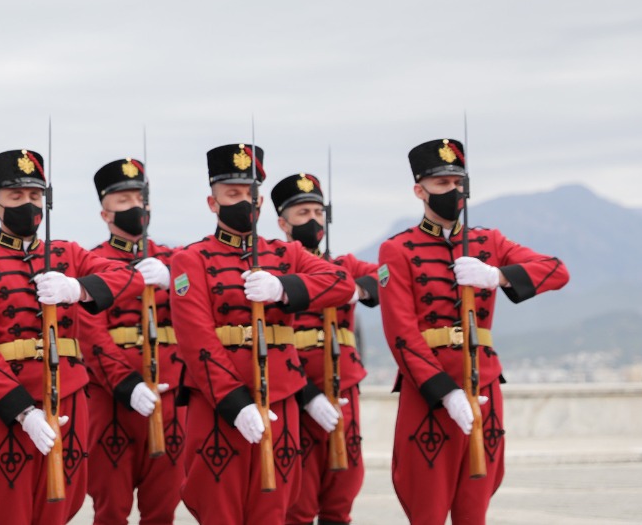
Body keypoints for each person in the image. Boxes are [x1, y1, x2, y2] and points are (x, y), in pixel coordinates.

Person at [379, 138, 569, 525]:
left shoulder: (489, 242)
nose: (453, 191)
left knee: (475, 507)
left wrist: (497, 275)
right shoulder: (397, 249)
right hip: (428, 391)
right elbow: (401, 333)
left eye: (458, 183)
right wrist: (445, 393)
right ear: (420, 190)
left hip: (483, 381)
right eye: (442, 183)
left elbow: (557, 271)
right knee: (427, 507)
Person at [0, 148, 144, 525]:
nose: (28, 204)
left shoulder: (67, 253)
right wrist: (23, 412)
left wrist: (78, 288)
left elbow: (130, 277)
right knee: (6, 505)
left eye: (35, 195)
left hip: (69, 396)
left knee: (60, 506)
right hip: (12, 403)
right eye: (16, 196)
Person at [169, 143, 355, 525]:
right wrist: (235, 403)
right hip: (218, 401)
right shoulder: (191, 259)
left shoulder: (286, 255)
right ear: (212, 202)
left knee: (275, 507)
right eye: (232, 193)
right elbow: (196, 340)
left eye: (250, 194)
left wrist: (284, 287)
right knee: (219, 507)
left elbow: (341, 282)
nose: (243, 201)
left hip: (280, 394)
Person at [77, 157, 184, 525]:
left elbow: (199, 315)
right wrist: (126, 383)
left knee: (163, 507)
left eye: (139, 198)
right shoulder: (91, 262)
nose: (134, 207)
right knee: (110, 507)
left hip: (169, 396)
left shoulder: (176, 260)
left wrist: (174, 278)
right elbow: (90, 333)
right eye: (123, 200)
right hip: (111, 400)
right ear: (105, 213)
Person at [270, 172, 379, 525]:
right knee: (298, 500)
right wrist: (307, 395)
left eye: (318, 212)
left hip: (344, 385)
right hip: (294, 389)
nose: (313, 221)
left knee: (342, 490)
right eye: (303, 213)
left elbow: (390, 276)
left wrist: (359, 289)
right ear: (283, 223)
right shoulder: (274, 268)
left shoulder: (344, 266)